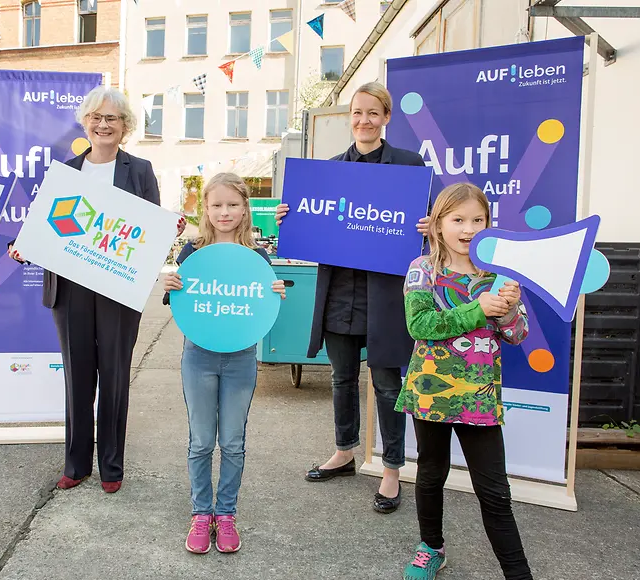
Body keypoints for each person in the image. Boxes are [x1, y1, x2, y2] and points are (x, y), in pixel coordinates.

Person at [8, 86, 181, 494]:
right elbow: (45, 225)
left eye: (112, 119)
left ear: (125, 126)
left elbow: (149, 232)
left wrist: (167, 230)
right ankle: (76, 464)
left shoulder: (140, 170)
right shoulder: (65, 171)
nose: (103, 125)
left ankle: (112, 467)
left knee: (115, 378)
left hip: (119, 290)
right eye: (96, 117)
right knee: (77, 378)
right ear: (85, 122)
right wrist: (24, 247)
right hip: (70, 290)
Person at [275, 82, 429, 512]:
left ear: (387, 118)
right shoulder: (329, 171)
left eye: (373, 113)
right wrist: (292, 218)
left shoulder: (409, 166)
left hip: (385, 296)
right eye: (357, 113)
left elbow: (428, 226)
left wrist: (426, 225)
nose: (364, 120)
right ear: (350, 117)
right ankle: (344, 452)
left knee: (387, 385)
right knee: (341, 378)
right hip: (339, 293)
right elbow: (313, 225)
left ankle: (392, 469)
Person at [397, 183, 532, 580]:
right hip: (430, 393)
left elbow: (518, 334)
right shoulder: (423, 269)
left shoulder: (500, 275)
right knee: (430, 473)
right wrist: (478, 309)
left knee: (494, 491)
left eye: (478, 220)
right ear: (438, 224)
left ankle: (518, 573)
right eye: (458, 219)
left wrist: (509, 309)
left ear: (489, 224)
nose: (468, 229)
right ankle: (431, 548)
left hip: (479, 397)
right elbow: (419, 324)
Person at [163, 173, 286, 554]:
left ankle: (227, 513)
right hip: (198, 357)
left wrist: (275, 292)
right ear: (206, 209)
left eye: (233, 204)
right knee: (201, 441)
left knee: (233, 441)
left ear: (245, 208)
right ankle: (202, 513)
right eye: (216, 205)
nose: (224, 212)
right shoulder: (192, 252)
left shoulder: (258, 257)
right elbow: (180, 301)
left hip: (240, 359)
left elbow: (262, 305)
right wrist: (171, 286)